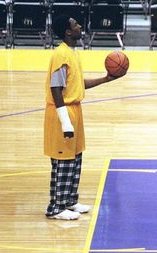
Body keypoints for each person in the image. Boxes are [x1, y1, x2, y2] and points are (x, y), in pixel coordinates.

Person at [44, 15, 126, 220]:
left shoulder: (73, 53)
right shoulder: (60, 55)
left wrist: (107, 79)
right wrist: (65, 121)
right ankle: (56, 207)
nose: (80, 26)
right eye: (75, 25)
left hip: (75, 110)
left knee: (75, 158)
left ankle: (70, 201)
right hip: (62, 111)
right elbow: (56, 89)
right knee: (63, 160)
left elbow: (78, 84)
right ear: (68, 32)